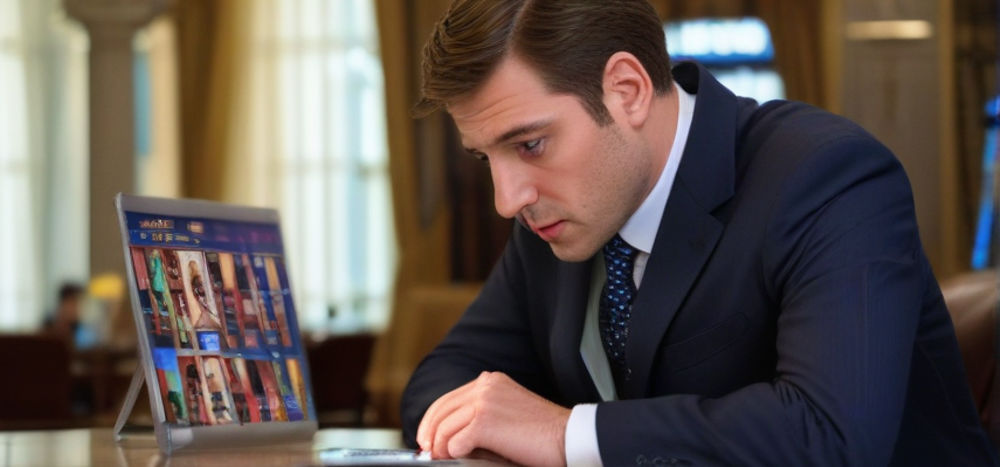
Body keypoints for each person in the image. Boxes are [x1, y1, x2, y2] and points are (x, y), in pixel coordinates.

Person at [399, 1, 999, 466]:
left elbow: (831, 437)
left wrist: (564, 435)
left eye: (530, 144)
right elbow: (441, 382)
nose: (508, 200)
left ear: (627, 90)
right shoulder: (554, 214)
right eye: (486, 160)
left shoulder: (827, 176)